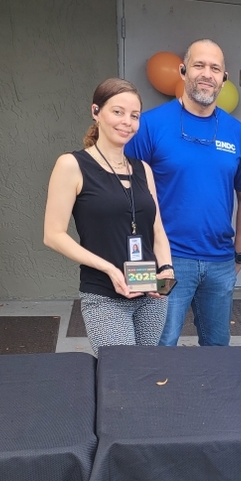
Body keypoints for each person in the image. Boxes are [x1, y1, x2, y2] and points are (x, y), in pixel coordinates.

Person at [126, 39, 241, 346]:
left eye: (215, 68)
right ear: (183, 71)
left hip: (219, 263)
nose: (207, 74)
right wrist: (138, 267)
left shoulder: (236, 132)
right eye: (199, 65)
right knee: (157, 344)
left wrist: (238, 254)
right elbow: (127, 197)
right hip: (164, 259)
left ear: (224, 78)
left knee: (216, 348)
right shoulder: (150, 125)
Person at [43, 78, 174, 355]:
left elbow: (157, 230)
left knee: (145, 370)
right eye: (118, 111)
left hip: (150, 294)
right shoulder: (72, 165)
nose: (127, 121)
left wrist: (166, 272)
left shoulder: (143, 170)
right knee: (119, 371)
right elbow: (53, 235)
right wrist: (110, 269)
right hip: (105, 296)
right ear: (96, 112)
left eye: (134, 115)